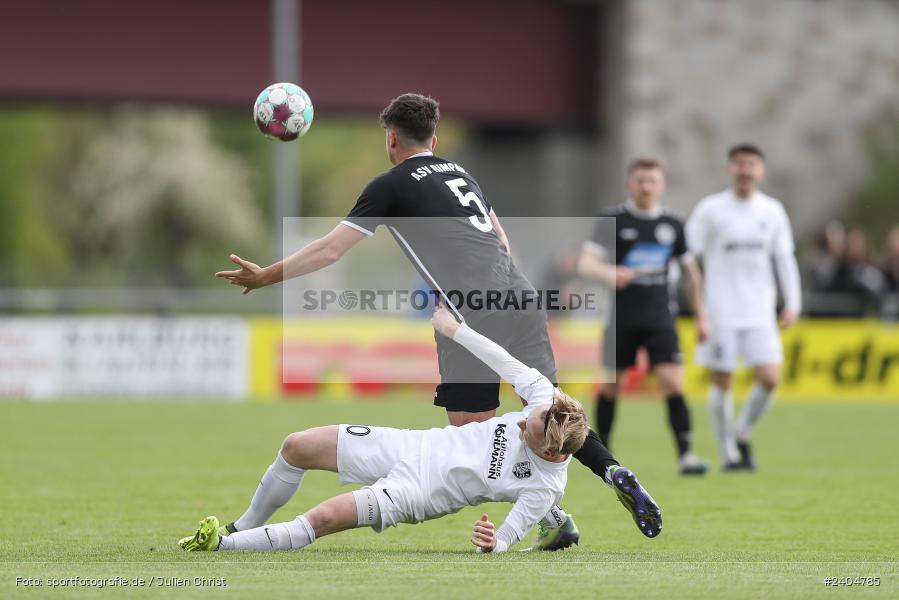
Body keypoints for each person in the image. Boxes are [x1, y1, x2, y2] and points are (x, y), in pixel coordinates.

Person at [216, 93, 645, 547]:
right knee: (553, 411)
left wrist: (268, 275)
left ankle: (553, 515)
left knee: (469, 440)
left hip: (471, 310)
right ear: (435, 138)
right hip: (520, 295)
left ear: (392, 137)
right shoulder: (461, 173)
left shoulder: (390, 184)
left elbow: (330, 248)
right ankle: (608, 473)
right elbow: (500, 236)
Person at [178, 306, 662, 554]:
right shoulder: (542, 398)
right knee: (297, 445)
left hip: (416, 493)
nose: (522, 426)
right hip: (410, 444)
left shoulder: (545, 485)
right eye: (529, 420)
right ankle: (243, 525)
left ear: (554, 451)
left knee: (323, 520)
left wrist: (493, 545)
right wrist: (455, 331)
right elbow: (502, 359)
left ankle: (222, 545)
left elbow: (508, 540)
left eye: (531, 434)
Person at [577, 158, 709, 476]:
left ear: (661, 185)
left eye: (652, 181)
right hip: (620, 318)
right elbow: (586, 264)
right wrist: (610, 272)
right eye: (640, 180)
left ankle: (686, 455)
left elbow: (692, 273)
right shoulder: (612, 219)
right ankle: (605, 457)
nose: (646, 186)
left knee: (673, 382)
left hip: (660, 317)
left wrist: (703, 316)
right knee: (612, 387)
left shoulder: (674, 225)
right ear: (629, 184)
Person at [685, 144, 801, 471]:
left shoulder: (772, 211)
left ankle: (742, 431)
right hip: (721, 310)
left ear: (760, 171)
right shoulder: (711, 209)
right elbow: (688, 256)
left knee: (770, 378)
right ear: (730, 168)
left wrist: (792, 302)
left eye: (751, 164)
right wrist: (698, 307)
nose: (745, 170)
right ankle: (729, 455)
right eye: (739, 164)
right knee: (722, 380)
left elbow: (784, 258)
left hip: (760, 312)